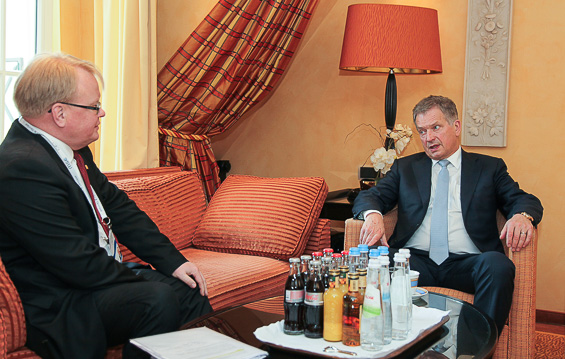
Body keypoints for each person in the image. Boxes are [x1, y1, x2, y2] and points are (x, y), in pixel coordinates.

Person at [0, 53, 213, 359]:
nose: (102, 113)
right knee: (157, 298)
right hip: (62, 300)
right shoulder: (20, 168)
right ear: (59, 113)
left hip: (91, 281)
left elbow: (119, 208)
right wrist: (143, 277)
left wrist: (174, 262)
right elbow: (74, 261)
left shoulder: (73, 150)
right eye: (94, 106)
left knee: (191, 290)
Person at [353, 95, 543, 335]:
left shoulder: (488, 168)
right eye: (422, 131)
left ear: (456, 127)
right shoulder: (405, 168)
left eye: (435, 127)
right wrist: (373, 214)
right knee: (370, 256)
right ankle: (381, 341)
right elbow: (370, 197)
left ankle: (478, 346)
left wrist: (521, 216)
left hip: (467, 264)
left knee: (497, 265)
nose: (428, 137)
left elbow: (524, 199)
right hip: (413, 262)